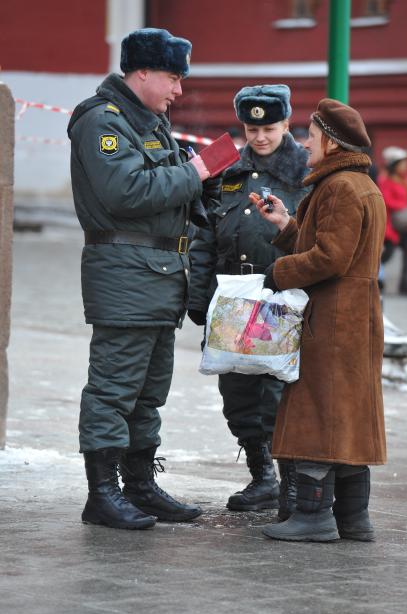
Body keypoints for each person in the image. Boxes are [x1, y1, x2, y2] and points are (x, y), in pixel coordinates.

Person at [67, 28, 216, 529]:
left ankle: (141, 486)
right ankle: (103, 495)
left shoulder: (152, 125)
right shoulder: (102, 121)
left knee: (149, 392)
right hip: (126, 275)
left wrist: (211, 184)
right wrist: (196, 172)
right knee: (113, 389)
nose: (178, 90)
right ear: (142, 72)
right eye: (173, 78)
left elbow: (170, 192)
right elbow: (125, 192)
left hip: (159, 278)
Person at [250, 98, 387, 542]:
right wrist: (287, 226)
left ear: (329, 140)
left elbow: (332, 257)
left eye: (311, 135)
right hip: (352, 316)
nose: (304, 143)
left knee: (319, 414)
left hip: (333, 319)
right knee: (347, 415)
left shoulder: (341, 187)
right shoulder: (358, 184)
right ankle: (353, 518)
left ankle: (313, 517)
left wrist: (278, 271)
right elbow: (334, 246)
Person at [188, 85, 309, 513]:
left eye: (269, 128)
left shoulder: (307, 170)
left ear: (286, 124)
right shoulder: (228, 170)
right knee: (237, 392)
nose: (260, 137)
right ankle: (262, 477)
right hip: (231, 297)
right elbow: (203, 235)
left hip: (282, 297)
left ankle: (293, 484)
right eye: (252, 128)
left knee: (279, 394)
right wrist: (199, 296)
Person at [378, 146, 407, 294]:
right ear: (394, 165)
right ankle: (371, 275)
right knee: (386, 253)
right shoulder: (386, 179)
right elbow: (386, 200)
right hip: (392, 224)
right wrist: (403, 206)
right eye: (402, 163)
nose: (405, 166)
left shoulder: (406, 180)